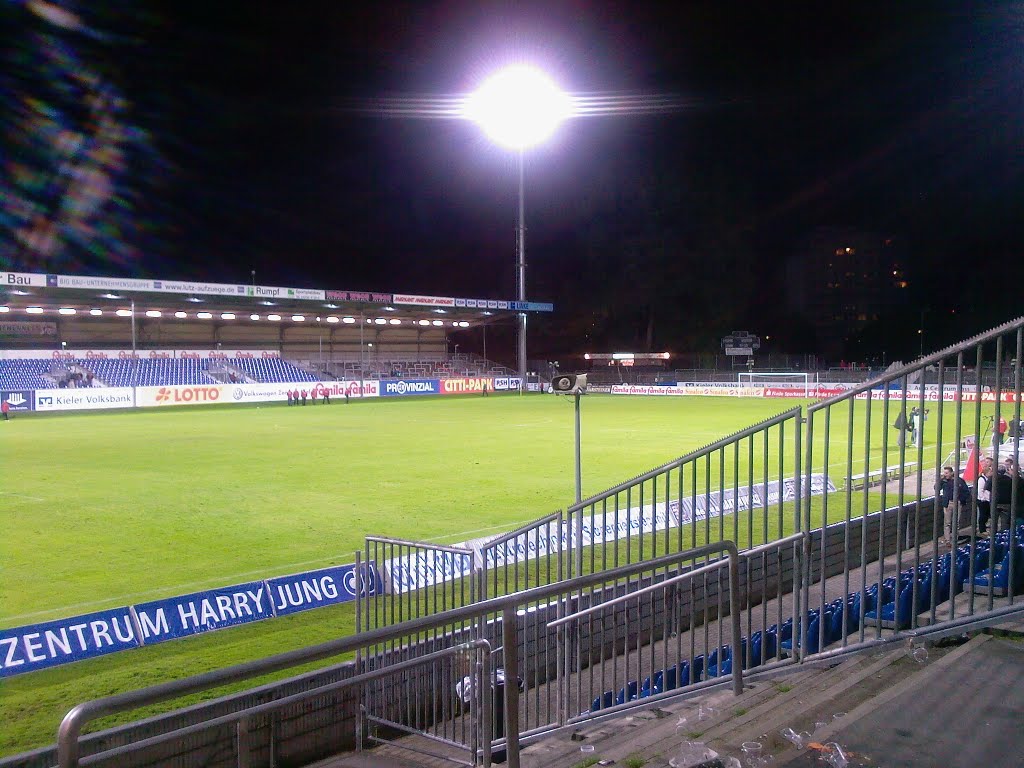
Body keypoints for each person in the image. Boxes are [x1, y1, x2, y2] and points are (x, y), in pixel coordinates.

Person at [937, 466, 971, 546]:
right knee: (947, 523)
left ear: (951, 473)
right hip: (948, 503)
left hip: (957, 503)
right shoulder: (944, 481)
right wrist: (941, 480)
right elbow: (936, 488)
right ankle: (947, 540)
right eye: (944, 473)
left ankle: (955, 539)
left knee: (956, 522)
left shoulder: (959, 481)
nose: (945, 475)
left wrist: (960, 499)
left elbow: (966, 492)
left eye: (946, 473)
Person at [976, 457, 994, 535]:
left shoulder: (988, 479)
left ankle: (984, 528)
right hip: (983, 500)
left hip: (987, 500)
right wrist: (983, 499)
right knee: (983, 515)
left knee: (986, 515)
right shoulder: (982, 479)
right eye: (991, 472)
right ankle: (982, 530)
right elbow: (980, 490)